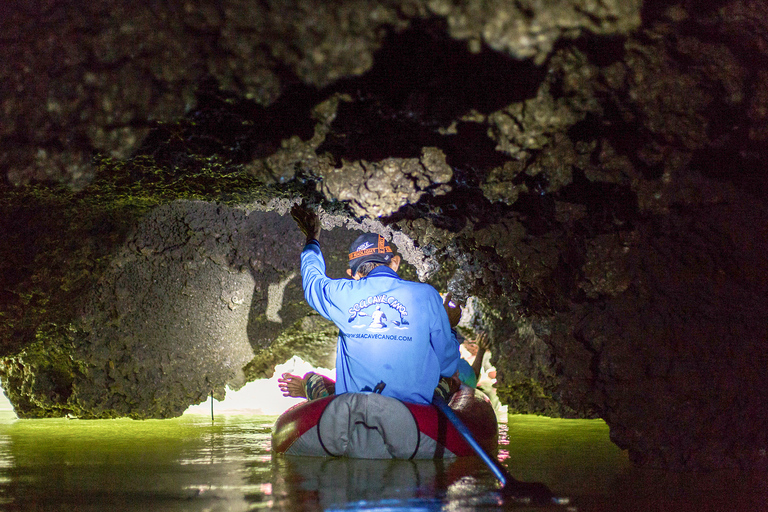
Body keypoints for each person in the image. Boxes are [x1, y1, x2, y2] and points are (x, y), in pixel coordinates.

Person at [278, 203, 462, 405]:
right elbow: (447, 364)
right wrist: (449, 326)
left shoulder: (342, 293)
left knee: (314, 381)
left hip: (354, 415)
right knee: (446, 378)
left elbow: (313, 281)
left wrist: (313, 237)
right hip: (410, 420)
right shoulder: (427, 295)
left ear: (354, 274)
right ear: (395, 262)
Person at [460, 331, 501, 411]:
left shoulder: (487, 355)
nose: (473, 346)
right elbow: (471, 378)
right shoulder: (461, 351)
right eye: (470, 343)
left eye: (474, 343)